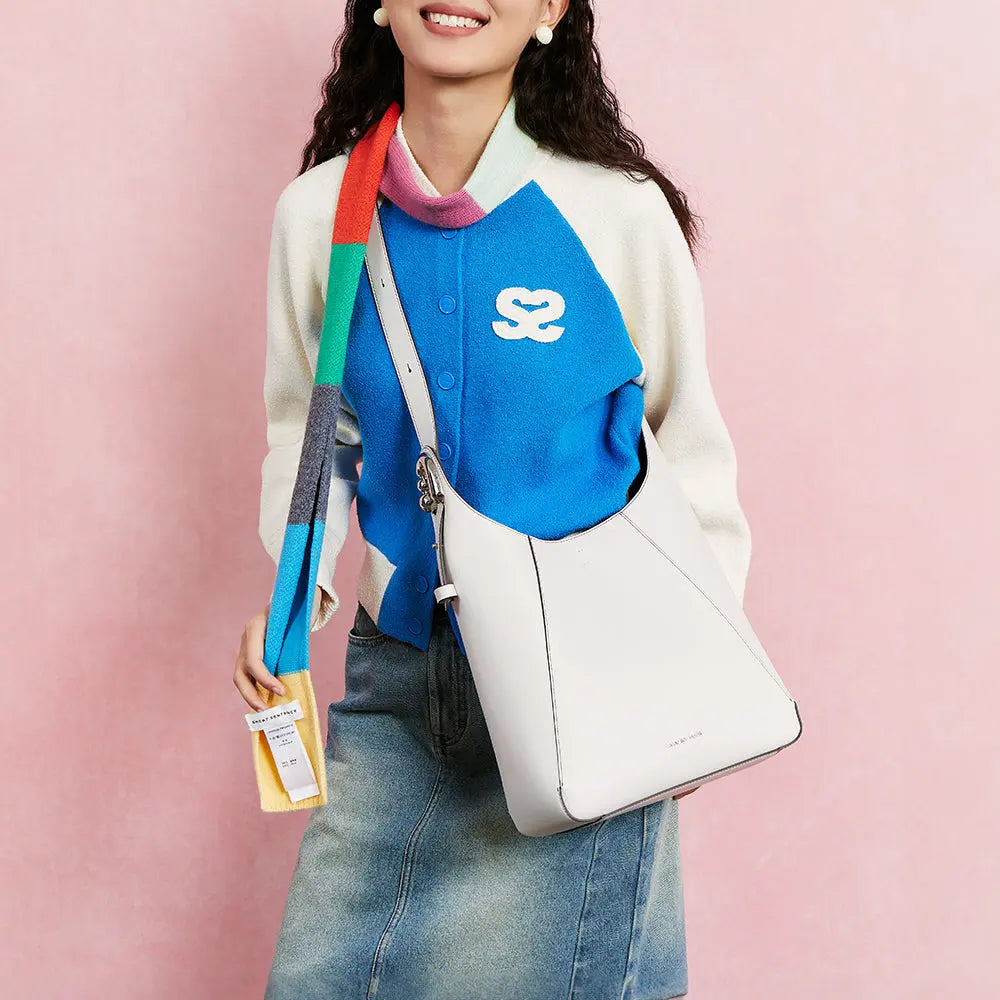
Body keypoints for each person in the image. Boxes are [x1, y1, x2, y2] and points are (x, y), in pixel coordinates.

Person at [233, 1, 752, 997]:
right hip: (397, 686)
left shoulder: (614, 212)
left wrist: (691, 672)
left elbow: (688, 453)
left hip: (582, 683)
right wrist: (294, 602)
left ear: (553, 10)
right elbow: (314, 434)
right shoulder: (321, 215)